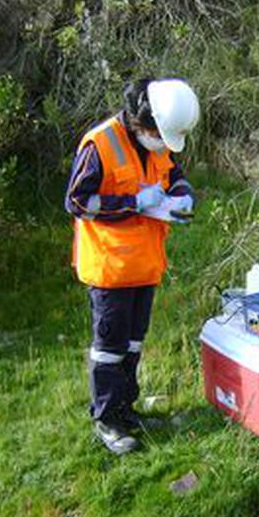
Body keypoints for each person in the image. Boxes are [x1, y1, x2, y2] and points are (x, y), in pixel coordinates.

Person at [64, 78, 199, 455]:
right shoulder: (100, 144)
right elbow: (77, 202)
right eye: (157, 133)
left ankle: (126, 410)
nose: (161, 140)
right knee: (109, 349)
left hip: (145, 264)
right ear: (141, 120)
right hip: (110, 269)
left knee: (133, 344)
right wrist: (133, 202)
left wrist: (182, 195)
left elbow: (174, 174)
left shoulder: (157, 139)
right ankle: (107, 420)